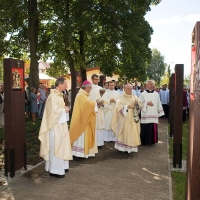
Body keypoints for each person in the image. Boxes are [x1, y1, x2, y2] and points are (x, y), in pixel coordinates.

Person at [38, 77, 72, 178]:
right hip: (55, 126)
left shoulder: (59, 95)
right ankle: (55, 170)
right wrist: (64, 110)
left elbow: (58, 110)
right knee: (56, 146)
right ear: (60, 84)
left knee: (62, 145)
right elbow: (53, 112)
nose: (66, 86)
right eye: (65, 84)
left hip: (61, 125)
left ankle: (62, 167)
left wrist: (64, 109)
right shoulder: (52, 96)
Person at [69, 80, 98, 159]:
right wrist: (95, 102)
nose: (91, 89)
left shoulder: (85, 95)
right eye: (90, 88)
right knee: (80, 136)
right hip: (80, 120)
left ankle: (83, 153)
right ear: (87, 87)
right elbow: (87, 106)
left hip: (85, 119)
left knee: (83, 137)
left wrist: (93, 103)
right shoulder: (81, 95)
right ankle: (77, 154)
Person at [111, 84, 142, 153]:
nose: (130, 90)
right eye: (128, 89)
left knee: (133, 132)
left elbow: (140, 106)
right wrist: (127, 107)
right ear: (124, 89)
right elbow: (117, 107)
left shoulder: (135, 97)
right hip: (125, 119)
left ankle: (131, 148)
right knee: (125, 132)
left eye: (131, 89)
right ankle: (123, 148)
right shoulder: (121, 97)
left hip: (134, 119)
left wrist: (137, 104)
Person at [139, 80, 164, 145]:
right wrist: (146, 103)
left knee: (153, 127)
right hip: (146, 113)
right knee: (146, 127)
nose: (152, 85)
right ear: (146, 85)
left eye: (152, 84)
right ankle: (145, 141)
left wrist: (160, 112)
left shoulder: (156, 94)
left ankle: (153, 141)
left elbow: (159, 103)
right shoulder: (143, 94)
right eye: (150, 84)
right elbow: (139, 104)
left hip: (154, 113)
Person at [90, 74, 107, 147]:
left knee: (100, 126)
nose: (97, 81)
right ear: (92, 79)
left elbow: (105, 100)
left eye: (98, 79)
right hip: (92, 111)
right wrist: (95, 103)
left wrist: (102, 104)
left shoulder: (101, 89)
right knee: (94, 126)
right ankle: (93, 143)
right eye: (95, 79)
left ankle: (99, 143)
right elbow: (88, 100)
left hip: (100, 111)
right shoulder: (89, 88)